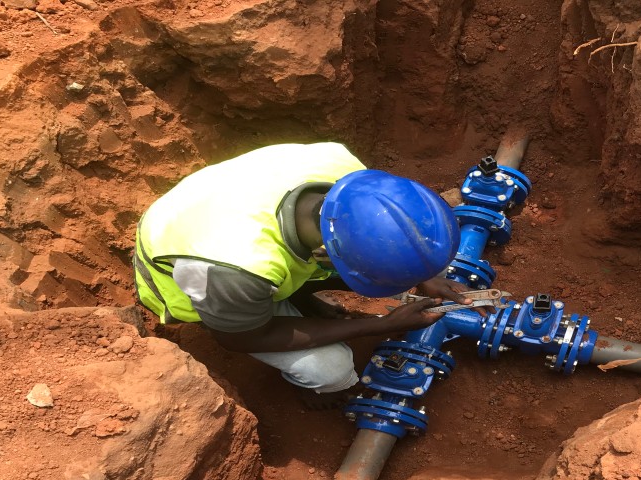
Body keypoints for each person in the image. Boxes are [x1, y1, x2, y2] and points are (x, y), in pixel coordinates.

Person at [133, 142, 470, 394]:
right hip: (200, 281)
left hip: (218, 217)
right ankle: (309, 382)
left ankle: (304, 299)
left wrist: (425, 275)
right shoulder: (239, 265)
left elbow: (385, 230)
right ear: (327, 252)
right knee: (331, 370)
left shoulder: (346, 172)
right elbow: (240, 337)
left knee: (396, 281)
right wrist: (377, 326)